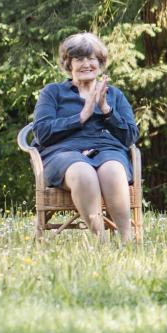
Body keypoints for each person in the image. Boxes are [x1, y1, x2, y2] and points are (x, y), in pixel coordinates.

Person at [32, 32, 140, 242]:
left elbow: (130, 136)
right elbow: (42, 132)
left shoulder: (115, 95)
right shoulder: (52, 92)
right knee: (83, 172)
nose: (86, 64)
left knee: (113, 170)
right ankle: (101, 240)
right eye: (79, 59)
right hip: (63, 154)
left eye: (92, 59)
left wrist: (106, 110)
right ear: (68, 63)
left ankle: (128, 240)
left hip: (107, 150)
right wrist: (82, 116)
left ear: (100, 63)